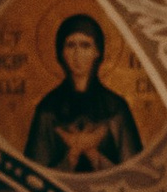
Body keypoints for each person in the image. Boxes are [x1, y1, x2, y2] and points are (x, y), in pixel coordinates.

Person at [22, 10, 144, 172]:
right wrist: (71, 156)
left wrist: (93, 154)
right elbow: (34, 175)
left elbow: (134, 173)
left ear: (97, 52)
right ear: (61, 52)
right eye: (71, 45)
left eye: (85, 45)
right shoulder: (48, 109)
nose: (77, 54)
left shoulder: (115, 108)